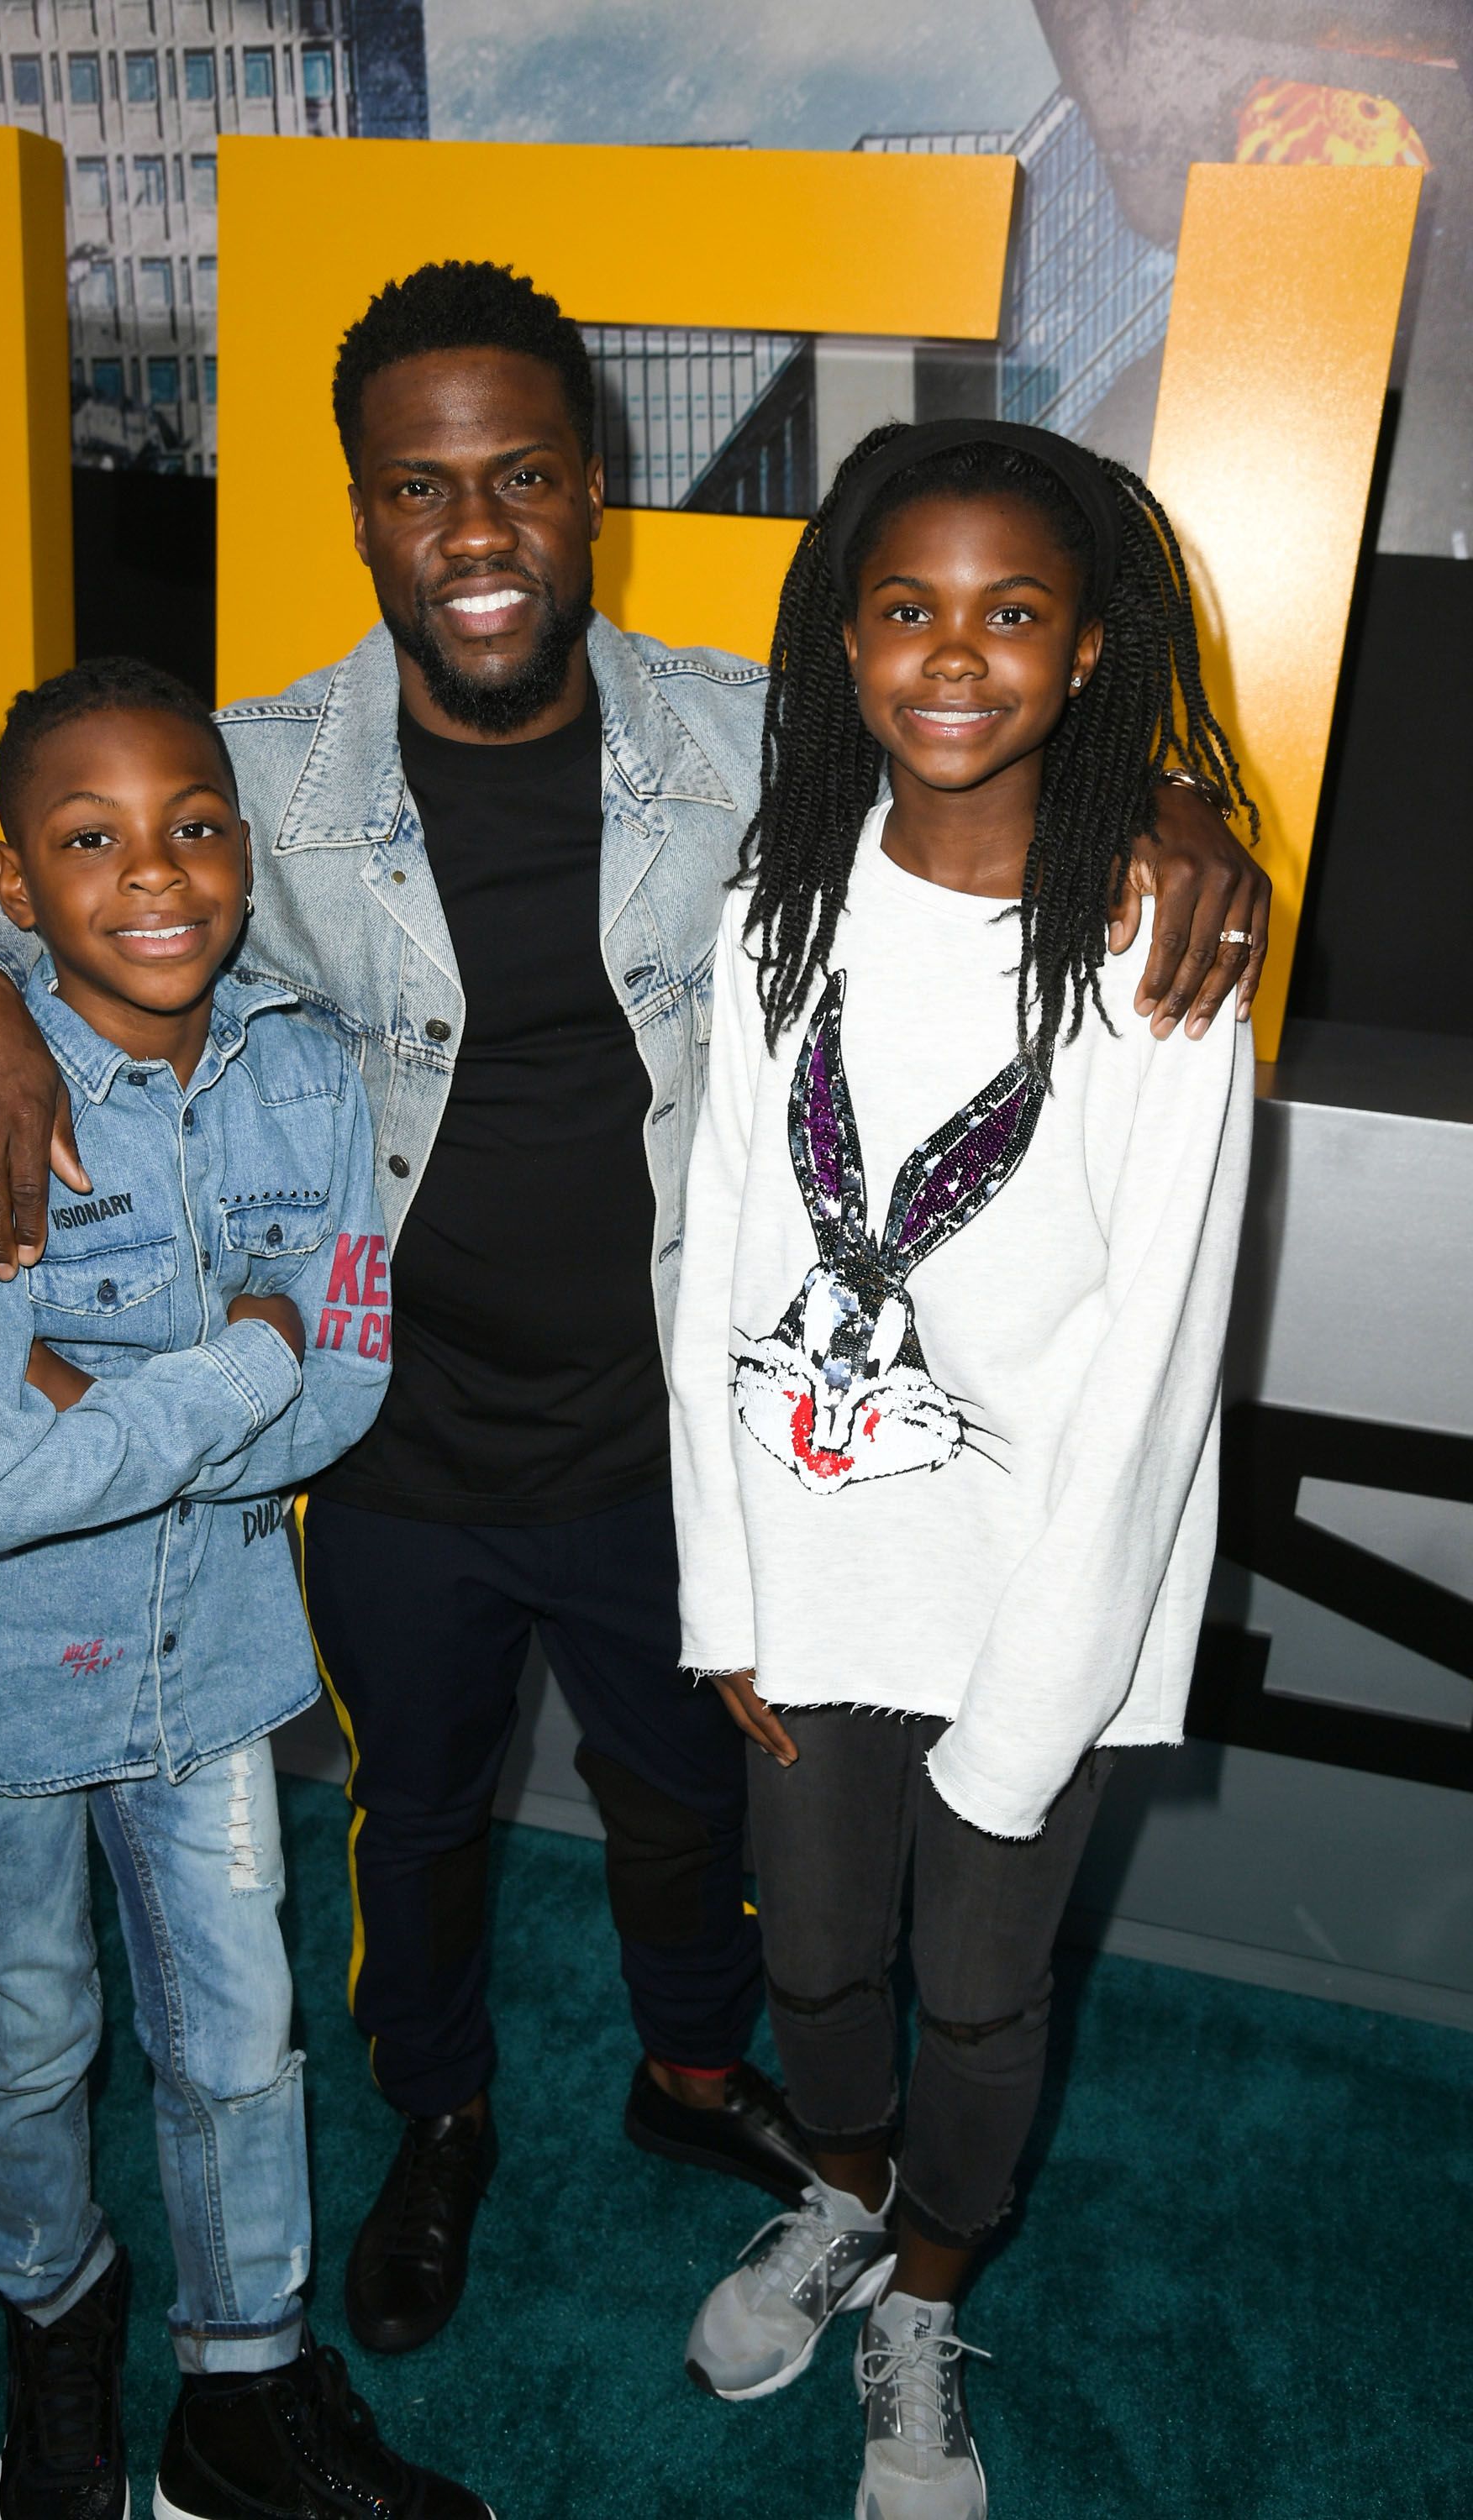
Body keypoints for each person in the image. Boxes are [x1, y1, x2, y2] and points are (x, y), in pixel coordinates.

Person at [0, 264, 1268, 2360]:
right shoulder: (262, 773)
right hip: (394, 1442)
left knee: (691, 1812)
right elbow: (32, 875)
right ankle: (442, 2117)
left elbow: (970, 743)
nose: (475, 530)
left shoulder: (740, 736)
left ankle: (690, 2073)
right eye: (420, 488)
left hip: (671, 1435)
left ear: (591, 483)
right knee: (412, 1822)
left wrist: (1166, 802)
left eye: (518, 473)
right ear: (360, 512)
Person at [669, 422, 1255, 2520]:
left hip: (1036, 1603)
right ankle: (842, 2198)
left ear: (1089, 655)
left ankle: (925, 2297)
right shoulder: (775, 907)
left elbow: (1158, 1372)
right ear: (842, 639)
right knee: (817, 1965)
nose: (952, 654)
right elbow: (721, 1251)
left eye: (1013, 613)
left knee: (981, 1996)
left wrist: (1035, 1705)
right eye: (906, 607)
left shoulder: (1160, 957)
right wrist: (725, 1593)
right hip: (813, 1570)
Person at [0, 660, 490, 2520]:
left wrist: (110, 1405)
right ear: (14, 880)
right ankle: (56, 2323)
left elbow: (350, 1370)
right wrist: (237, 1363)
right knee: (25, 2041)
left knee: (241, 2045)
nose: (153, 872)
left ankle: (243, 2387)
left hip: (211, 1668)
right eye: (88, 838)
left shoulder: (316, 1075)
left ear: (242, 852)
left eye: (195, 825)